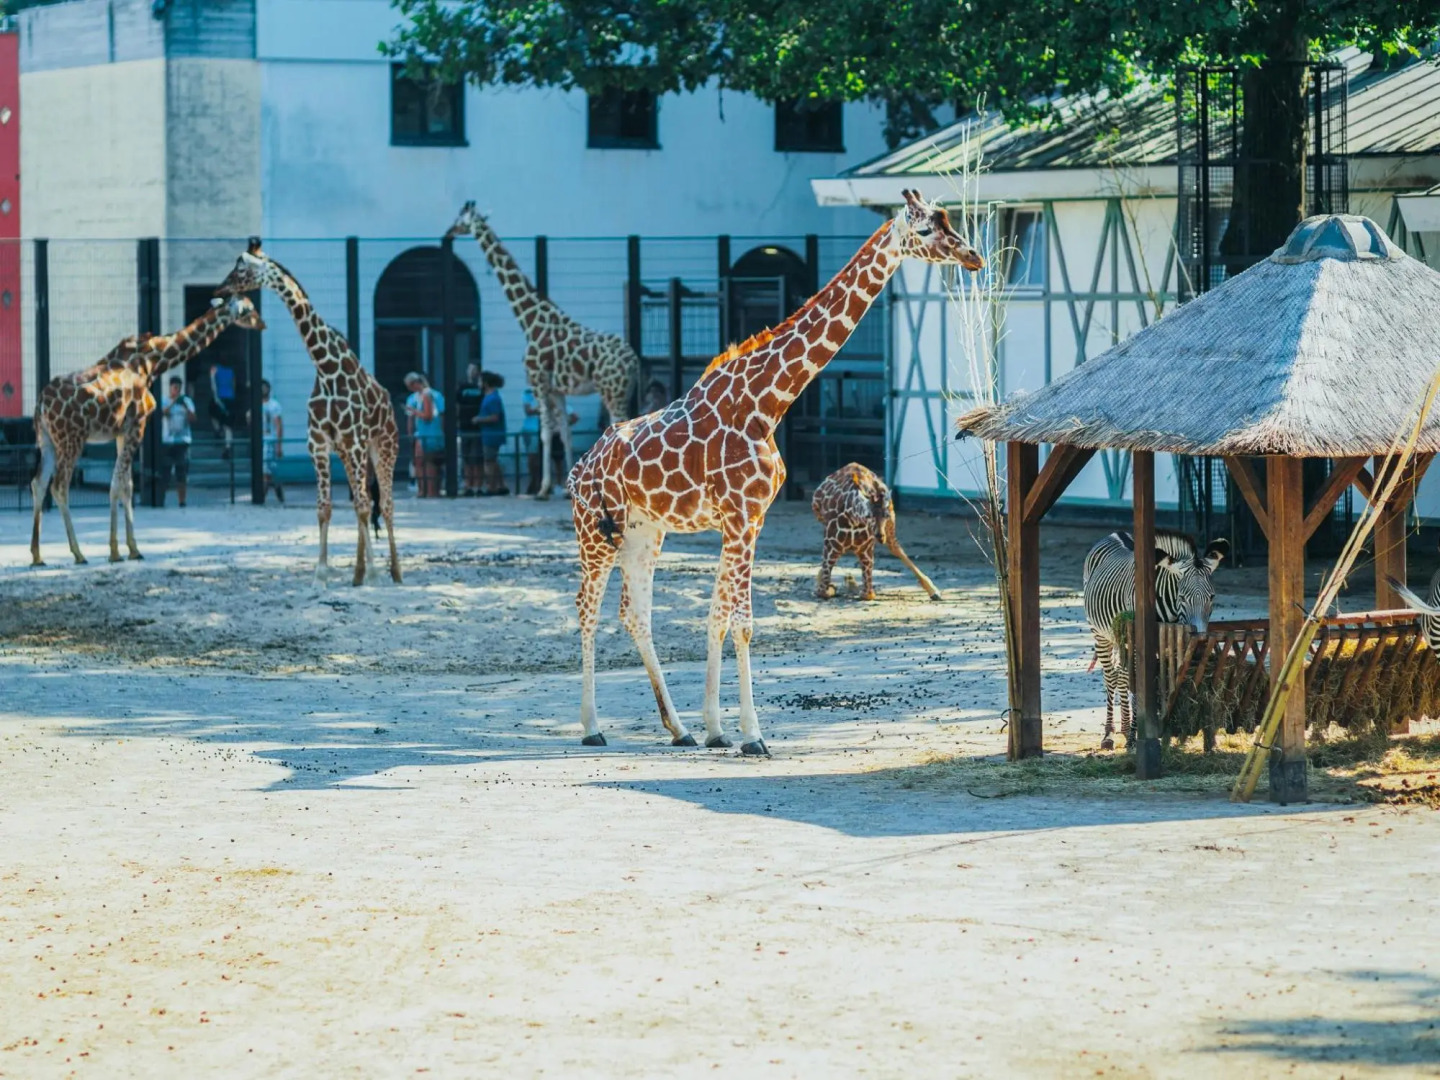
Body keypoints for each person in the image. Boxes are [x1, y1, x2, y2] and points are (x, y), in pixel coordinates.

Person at [405, 372, 445, 498]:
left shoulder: (429, 395)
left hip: (429, 433)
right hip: (425, 433)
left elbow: (430, 415)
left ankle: (430, 490)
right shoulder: (415, 397)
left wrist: (414, 412)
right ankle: (424, 490)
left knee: (429, 462)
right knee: (420, 462)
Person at [160, 376, 196, 508]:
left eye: (179, 388)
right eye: (175, 388)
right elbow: (164, 413)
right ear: (170, 388)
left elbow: (193, 419)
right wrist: (174, 402)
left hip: (182, 441)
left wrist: (186, 407)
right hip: (168, 441)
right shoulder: (164, 400)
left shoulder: (187, 401)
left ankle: (182, 501)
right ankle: (161, 500)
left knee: (181, 472)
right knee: (165, 472)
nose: (177, 390)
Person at [474, 371, 509, 495]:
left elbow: (495, 417)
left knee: (489, 461)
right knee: (493, 460)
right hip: (488, 433)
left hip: (492, 434)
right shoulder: (489, 396)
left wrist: (479, 419)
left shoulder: (493, 398)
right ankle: (501, 485)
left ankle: (491, 487)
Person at [456, 362, 485, 496]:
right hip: (464, 426)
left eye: (474, 369)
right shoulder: (462, 387)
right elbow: (456, 403)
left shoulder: (482, 387)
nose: (472, 372)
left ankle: (477, 486)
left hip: (478, 427)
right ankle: (468, 484)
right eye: (470, 369)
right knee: (466, 458)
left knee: (477, 458)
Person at [259, 379, 284, 505]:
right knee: (269, 470)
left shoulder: (274, 405)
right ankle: (277, 489)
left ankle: (262, 496)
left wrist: (279, 445)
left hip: (270, 440)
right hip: (261, 441)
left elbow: (278, 425)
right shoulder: (256, 405)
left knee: (267, 471)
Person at [208, 361, 236, 460]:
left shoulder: (214, 368)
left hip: (219, 398)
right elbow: (233, 384)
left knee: (213, 414)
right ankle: (228, 446)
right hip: (230, 398)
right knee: (228, 426)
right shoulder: (231, 370)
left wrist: (215, 396)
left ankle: (218, 430)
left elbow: (213, 384)